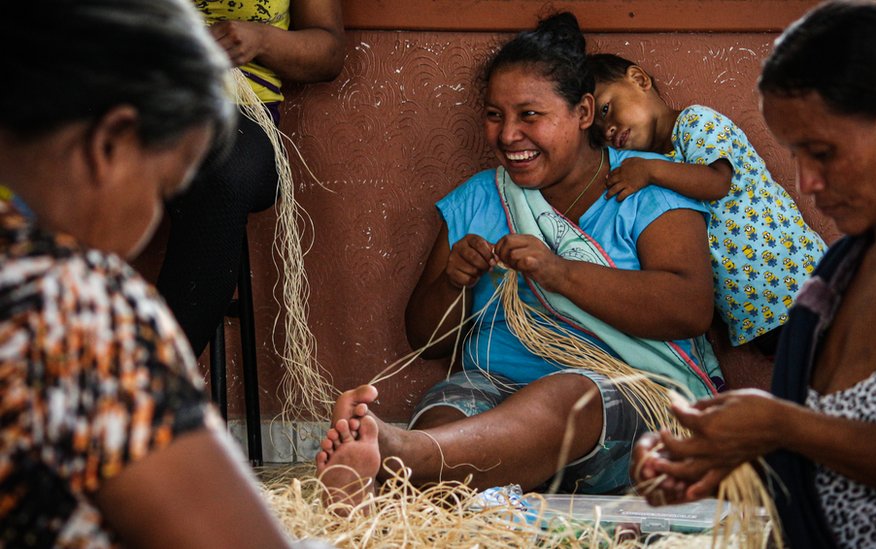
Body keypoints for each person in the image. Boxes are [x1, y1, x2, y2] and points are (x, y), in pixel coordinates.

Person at [315, 12, 723, 507]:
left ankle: (402, 460)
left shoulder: (649, 183)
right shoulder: (477, 200)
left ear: (585, 112)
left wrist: (559, 272)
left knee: (566, 396)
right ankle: (400, 470)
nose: (508, 136)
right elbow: (427, 343)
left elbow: (690, 308)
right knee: (447, 411)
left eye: (530, 115)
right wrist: (452, 282)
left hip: (624, 399)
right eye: (494, 115)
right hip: (492, 389)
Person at [630, 1, 876, 547]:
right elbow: (849, 446)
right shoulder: (845, 269)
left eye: (821, 152)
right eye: (795, 155)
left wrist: (783, 427)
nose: (806, 182)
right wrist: (728, 457)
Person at [0, 1, 327, 547]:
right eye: (160, 189)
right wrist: (342, 503)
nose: (156, 216)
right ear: (110, 144)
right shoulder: (79, 305)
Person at [585, 53, 827, 354]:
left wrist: (649, 171)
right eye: (597, 133)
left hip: (803, 285)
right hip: (758, 321)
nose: (607, 129)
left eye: (607, 108)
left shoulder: (695, 122)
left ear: (638, 80)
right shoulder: (652, 166)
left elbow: (717, 182)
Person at [155, 0, 345, 357]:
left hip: (238, 117)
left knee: (223, 174)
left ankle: (151, 385)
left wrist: (260, 40)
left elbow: (329, 53)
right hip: (138, 102)